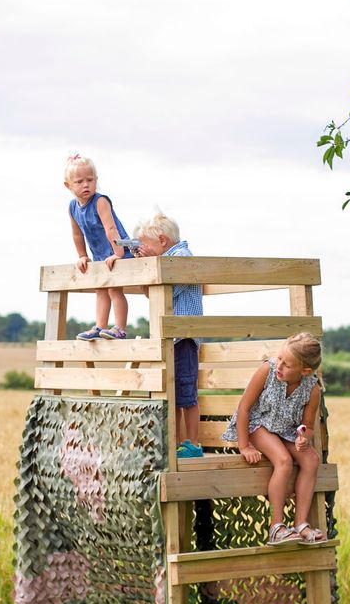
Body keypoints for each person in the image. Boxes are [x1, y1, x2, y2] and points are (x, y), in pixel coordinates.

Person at [222, 333, 326, 545]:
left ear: (305, 371)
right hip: (258, 425)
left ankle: (301, 524)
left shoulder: (312, 389)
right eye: (280, 359)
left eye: (287, 364)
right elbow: (244, 408)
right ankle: (276, 527)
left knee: (312, 460)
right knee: (284, 461)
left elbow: (307, 425)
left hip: (286, 431)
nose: (279, 366)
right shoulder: (267, 371)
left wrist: (303, 438)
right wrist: (244, 446)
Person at [133, 212, 203, 460]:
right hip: (170, 337)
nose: (144, 249)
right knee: (172, 394)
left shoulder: (182, 257)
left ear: (162, 240)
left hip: (184, 337)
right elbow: (152, 295)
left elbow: (171, 288)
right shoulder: (165, 261)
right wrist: (146, 266)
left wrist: (154, 263)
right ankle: (175, 442)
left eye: (147, 245)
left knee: (186, 393)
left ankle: (193, 443)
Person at [64, 153, 131, 341]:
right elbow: (77, 234)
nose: (86, 185)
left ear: (96, 180)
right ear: (68, 185)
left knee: (114, 289)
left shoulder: (100, 201)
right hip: (101, 255)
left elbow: (111, 228)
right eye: (79, 181)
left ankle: (120, 328)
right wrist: (82, 256)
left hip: (118, 249)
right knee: (100, 289)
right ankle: (100, 326)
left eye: (90, 180)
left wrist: (118, 253)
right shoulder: (72, 207)